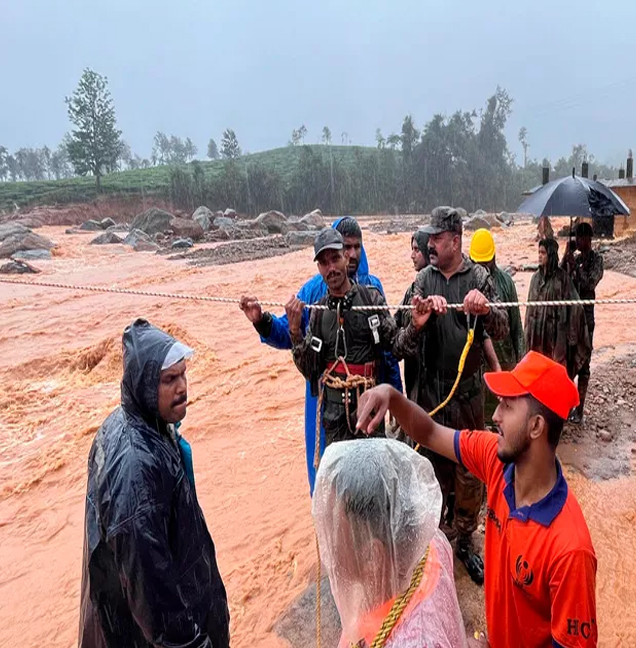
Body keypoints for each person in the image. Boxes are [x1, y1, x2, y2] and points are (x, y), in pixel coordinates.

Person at [355, 351, 598, 648]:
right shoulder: (496, 461)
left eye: (508, 406)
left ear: (536, 427)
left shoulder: (570, 550)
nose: (495, 415)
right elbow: (430, 432)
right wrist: (392, 396)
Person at [79, 319, 229, 648]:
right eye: (169, 380)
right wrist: (192, 644)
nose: (183, 388)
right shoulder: (136, 468)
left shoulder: (134, 425)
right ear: (145, 385)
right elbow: (151, 591)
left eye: (184, 374)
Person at [239, 216, 402, 492]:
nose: (350, 255)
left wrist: (395, 394)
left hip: (370, 397)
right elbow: (287, 333)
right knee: (331, 478)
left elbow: (387, 348)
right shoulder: (315, 291)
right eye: (344, 248)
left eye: (355, 248)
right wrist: (261, 320)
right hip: (328, 400)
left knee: (375, 481)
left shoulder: (373, 291)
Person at [393, 206, 509, 585]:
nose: (429, 244)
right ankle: (437, 538)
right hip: (429, 396)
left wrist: (485, 310)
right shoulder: (421, 282)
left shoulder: (478, 277)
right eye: (429, 238)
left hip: (468, 397)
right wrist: (417, 323)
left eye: (437, 239)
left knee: (470, 471)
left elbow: (503, 330)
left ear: (455, 241)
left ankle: (466, 540)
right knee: (431, 468)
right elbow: (397, 345)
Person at [313, 439, 467, 648]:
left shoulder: (414, 642)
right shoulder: (426, 545)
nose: (328, 543)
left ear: (372, 557)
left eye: (335, 531)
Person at [285, 229, 397, 447]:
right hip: (334, 419)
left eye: (335, 258)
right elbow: (311, 370)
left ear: (346, 257)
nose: (331, 268)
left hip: (369, 410)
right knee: (341, 479)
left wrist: (416, 325)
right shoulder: (317, 311)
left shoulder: (371, 298)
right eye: (324, 263)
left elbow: (396, 347)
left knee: (373, 475)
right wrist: (295, 332)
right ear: (318, 268)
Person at [470, 228, 525, 427]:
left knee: (507, 415)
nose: (483, 268)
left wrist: (521, 363)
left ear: (493, 257)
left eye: (486, 263)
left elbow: (517, 327)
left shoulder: (506, 282)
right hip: (480, 364)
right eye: (478, 263)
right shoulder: (467, 282)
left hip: (505, 358)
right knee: (482, 417)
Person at [526, 237, 591, 386]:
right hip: (537, 337)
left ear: (551, 255)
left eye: (543, 253)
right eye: (539, 252)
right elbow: (529, 311)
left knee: (555, 376)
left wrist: (571, 335)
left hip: (556, 338)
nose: (540, 256)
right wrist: (528, 335)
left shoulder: (562, 279)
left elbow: (576, 307)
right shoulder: (535, 279)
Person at [564, 222, 604, 424]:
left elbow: (590, 282)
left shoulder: (597, 260)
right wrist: (566, 257)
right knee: (570, 359)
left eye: (580, 238)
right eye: (576, 238)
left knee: (585, 360)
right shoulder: (575, 259)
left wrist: (577, 268)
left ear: (588, 239)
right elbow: (562, 277)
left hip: (586, 317)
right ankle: (568, 404)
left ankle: (580, 410)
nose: (578, 242)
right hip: (572, 316)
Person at [397, 226, 433, 397]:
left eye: (417, 250)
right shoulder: (410, 291)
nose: (412, 256)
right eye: (412, 249)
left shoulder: (440, 288)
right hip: (414, 379)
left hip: (435, 383)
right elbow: (394, 329)